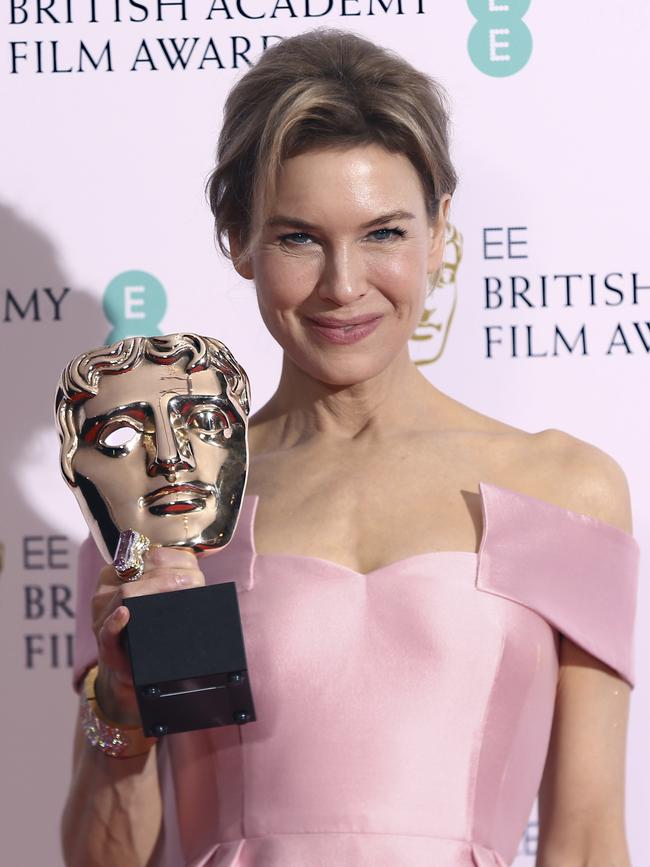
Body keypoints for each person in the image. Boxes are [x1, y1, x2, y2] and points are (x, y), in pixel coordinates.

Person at [61, 28, 640, 867]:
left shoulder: (560, 488)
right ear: (238, 239)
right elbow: (108, 859)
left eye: (384, 233)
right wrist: (120, 705)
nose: (343, 284)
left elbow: (587, 842)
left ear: (441, 229)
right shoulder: (170, 505)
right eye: (298, 237)